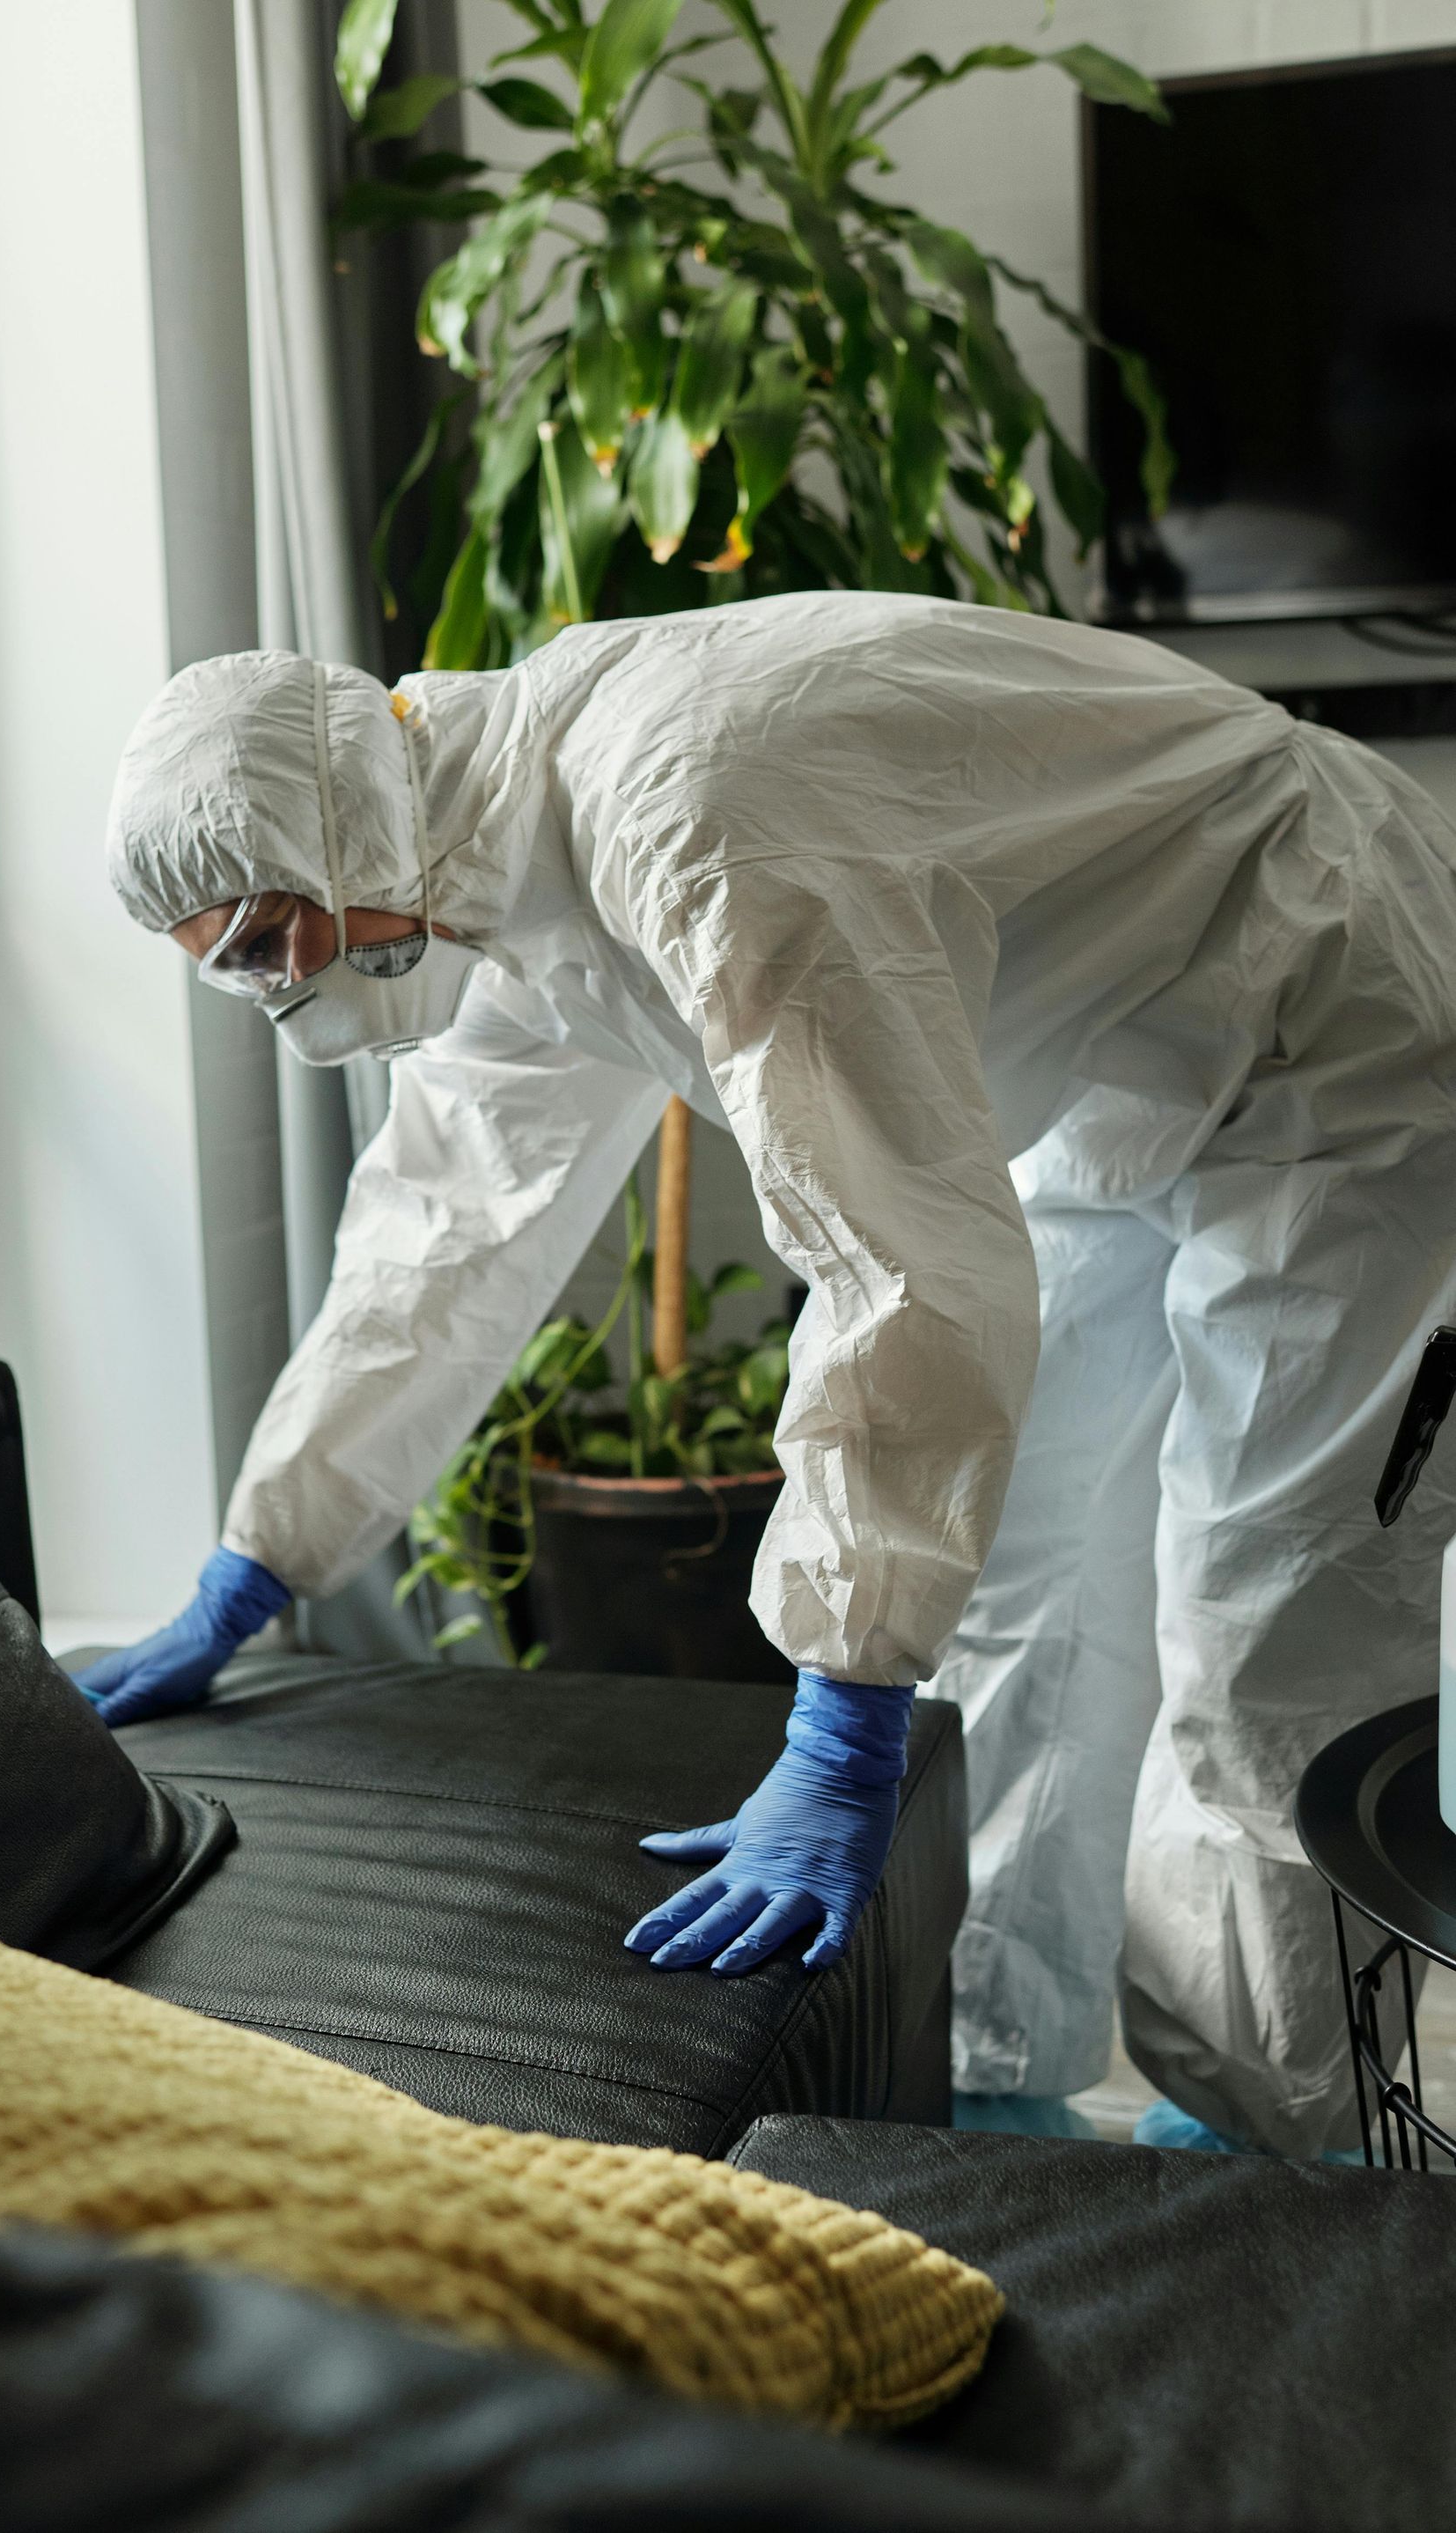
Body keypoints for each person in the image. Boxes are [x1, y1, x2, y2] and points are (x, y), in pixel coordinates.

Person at [80, 597, 1456, 2159]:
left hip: (1342, 1017)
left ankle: (1283, 2152)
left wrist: (841, 1715)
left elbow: (899, 1258)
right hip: (1122, 1069)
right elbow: (439, 1243)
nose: (286, 995)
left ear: (336, 832)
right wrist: (253, 1565)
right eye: (240, 973)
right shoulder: (496, 874)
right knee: (1022, 1566)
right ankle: (1001, 2065)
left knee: (1259, 1609)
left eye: (272, 941)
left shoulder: (682, 817)